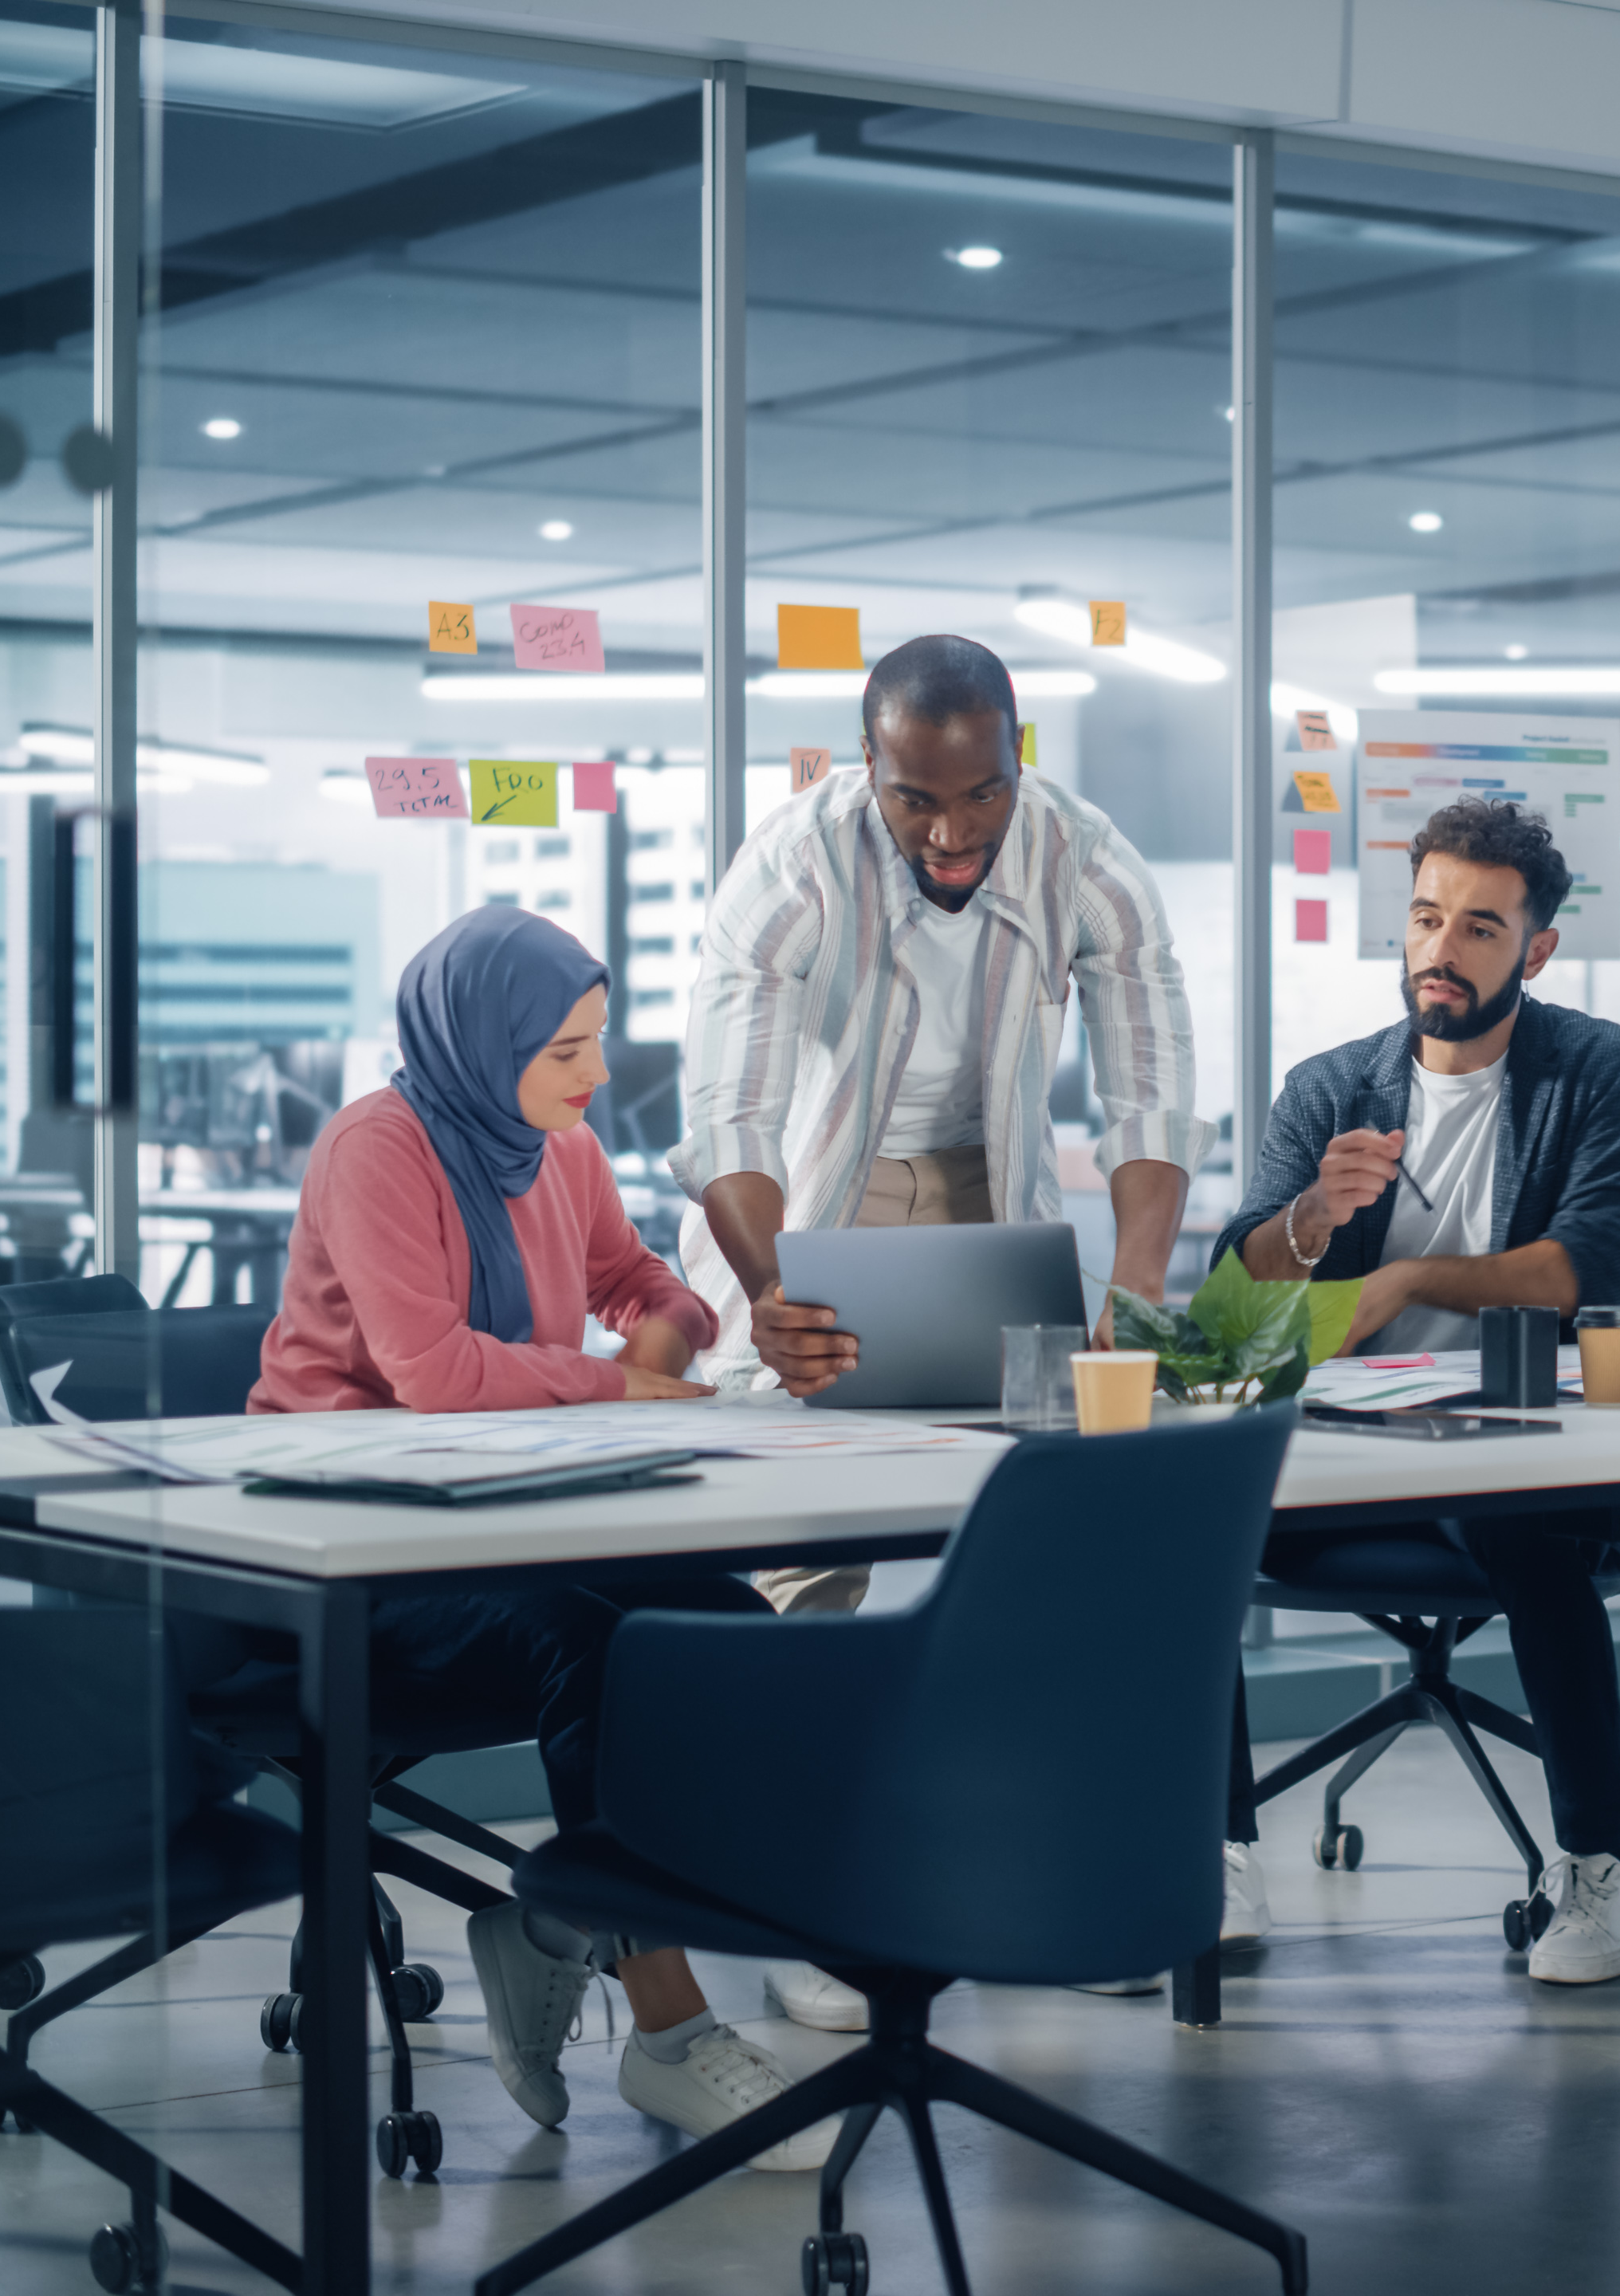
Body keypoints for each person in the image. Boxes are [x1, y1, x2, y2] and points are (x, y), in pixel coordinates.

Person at [670, 631, 1222, 2026]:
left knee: (1050, 1521)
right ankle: (813, 1899)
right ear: (872, 769)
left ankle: (1057, 1886)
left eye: (980, 796)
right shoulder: (792, 864)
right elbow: (727, 1114)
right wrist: (770, 1291)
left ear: (1016, 759)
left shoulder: (1084, 856)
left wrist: (1137, 1282)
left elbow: (1151, 1090)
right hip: (809, 1200)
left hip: (997, 1199)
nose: (953, 828)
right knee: (814, 1546)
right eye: (918, 799)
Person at [255, 902, 836, 2172]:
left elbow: (642, 1281)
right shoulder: (379, 1149)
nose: (597, 1074)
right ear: (482, 1043)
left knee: (719, 1625)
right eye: (567, 1049)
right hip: (348, 1547)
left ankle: (562, 1921)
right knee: (598, 1648)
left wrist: (669, 1330)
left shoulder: (553, 1146)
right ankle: (672, 2033)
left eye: (599, 1042)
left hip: (505, 1513)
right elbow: (434, 1375)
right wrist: (621, 1385)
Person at [1220, 796, 1620, 1983]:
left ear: (1537, 950)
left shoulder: (1591, 1069)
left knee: (1527, 1521)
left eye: (1478, 929)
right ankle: (1211, 1851)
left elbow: (1596, 1263)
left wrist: (1410, 1277)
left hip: (1505, 1440)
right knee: (1191, 1515)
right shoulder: (1331, 1089)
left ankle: (1599, 1868)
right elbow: (1237, 1295)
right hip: (1343, 1453)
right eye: (1425, 919)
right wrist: (1314, 1220)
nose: (1440, 950)